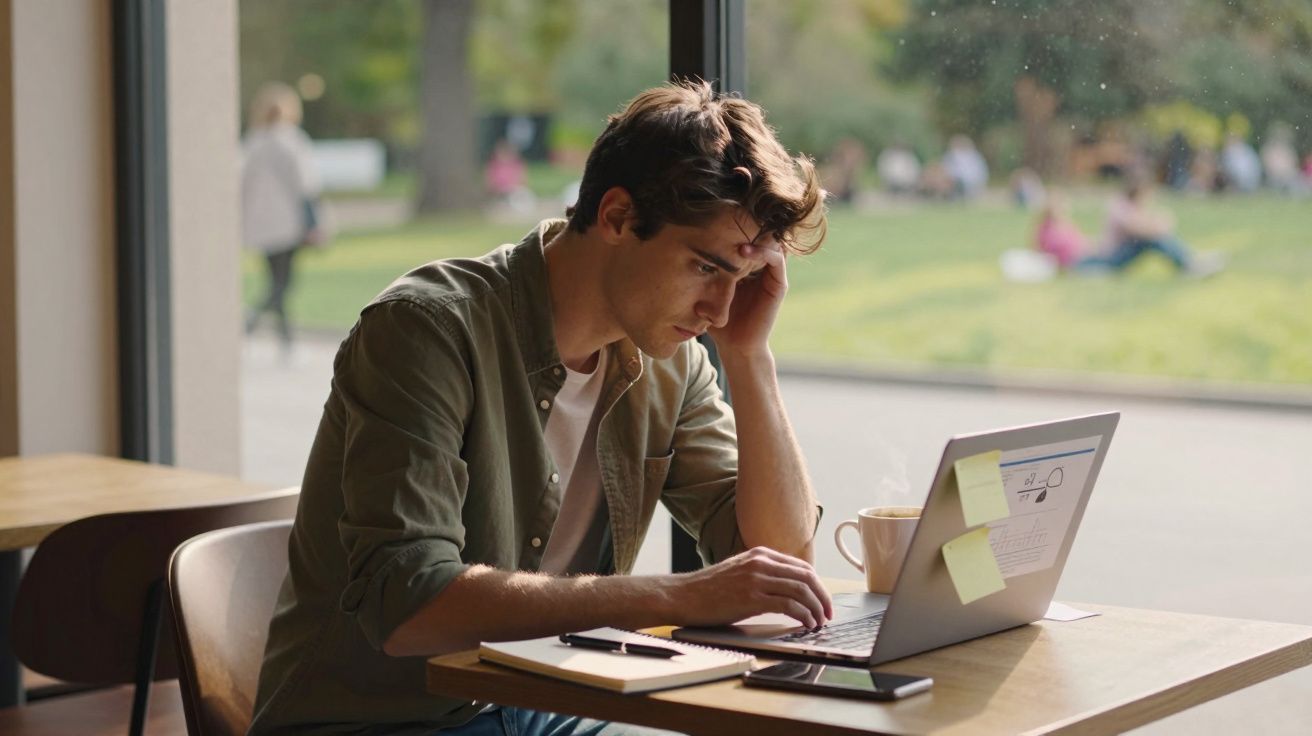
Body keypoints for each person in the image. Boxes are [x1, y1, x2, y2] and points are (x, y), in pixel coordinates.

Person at [249, 80, 831, 735]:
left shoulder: (675, 359)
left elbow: (778, 564)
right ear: (616, 216)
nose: (720, 310)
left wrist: (751, 360)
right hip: (384, 721)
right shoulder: (425, 330)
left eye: (745, 279)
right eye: (705, 268)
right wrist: (676, 595)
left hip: (548, 704)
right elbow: (409, 603)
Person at [241, 81, 324, 354]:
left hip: (261, 226)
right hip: (289, 225)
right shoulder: (293, 141)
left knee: (276, 282)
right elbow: (306, 185)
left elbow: (243, 186)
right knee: (282, 284)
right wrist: (314, 223)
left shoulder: (253, 142)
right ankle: (251, 322)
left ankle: (284, 340)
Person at [1082, 170, 1223, 277]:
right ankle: (1189, 264)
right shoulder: (1119, 206)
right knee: (1151, 239)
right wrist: (1159, 226)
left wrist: (1158, 225)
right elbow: (1139, 229)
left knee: (1153, 238)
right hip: (1111, 257)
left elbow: (1155, 223)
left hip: (1119, 253)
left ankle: (1189, 261)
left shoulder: (1133, 206)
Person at [941, 134, 989, 199]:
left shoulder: (973, 156)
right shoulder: (950, 156)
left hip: (968, 182)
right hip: (954, 181)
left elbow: (978, 174)